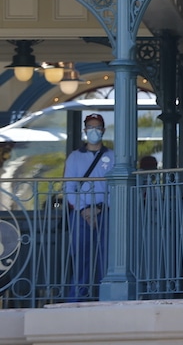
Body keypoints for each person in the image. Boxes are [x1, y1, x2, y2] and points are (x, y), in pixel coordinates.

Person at [63, 113, 114, 301]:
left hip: (105, 212)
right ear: (85, 130)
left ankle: (106, 298)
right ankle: (77, 297)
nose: (94, 131)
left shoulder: (112, 156)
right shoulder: (74, 158)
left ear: (103, 130)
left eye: (97, 127)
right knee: (80, 256)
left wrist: (100, 208)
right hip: (80, 214)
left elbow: (116, 187)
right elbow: (69, 187)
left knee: (107, 259)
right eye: (90, 127)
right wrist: (83, 209)